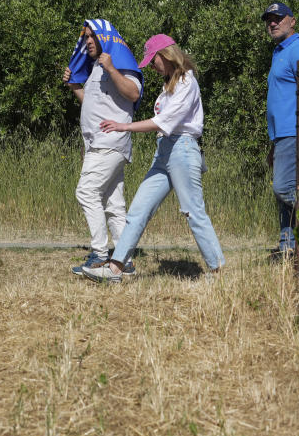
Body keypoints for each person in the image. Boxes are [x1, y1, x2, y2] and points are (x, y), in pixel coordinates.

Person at [83, 34, 225, 284]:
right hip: (164, 151)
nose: (152, 65)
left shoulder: (187, 81)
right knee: (138, 210)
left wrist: (122, 127)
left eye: (154, 59)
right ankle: (116, 268)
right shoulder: (168, 84)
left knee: (193, 211)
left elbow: (165, 122)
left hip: (182, 149)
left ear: (167, 55)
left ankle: (218, 271)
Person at [63, 19, 143, 276]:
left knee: (86, 192)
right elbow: (93, 104)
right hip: (99, 143)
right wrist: (75, 86)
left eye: (92, 36)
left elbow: (133, 93)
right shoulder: (96, 68)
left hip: (109, 142)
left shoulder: (116, 63)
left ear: (105, 39)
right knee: (112, 202)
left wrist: (111, 68)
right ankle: (124, 260)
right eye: (85, 37)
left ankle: (99, 254)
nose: (87, 41)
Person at [260, 2, 299, 262]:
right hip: (281, 135)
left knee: (285, 189)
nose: (273, 23)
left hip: (296, 132)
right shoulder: (279, 52)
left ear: (292, 21)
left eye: (278, 18)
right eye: (269, 19)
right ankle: (288, 247)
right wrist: (273, 145)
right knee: (286, 191)